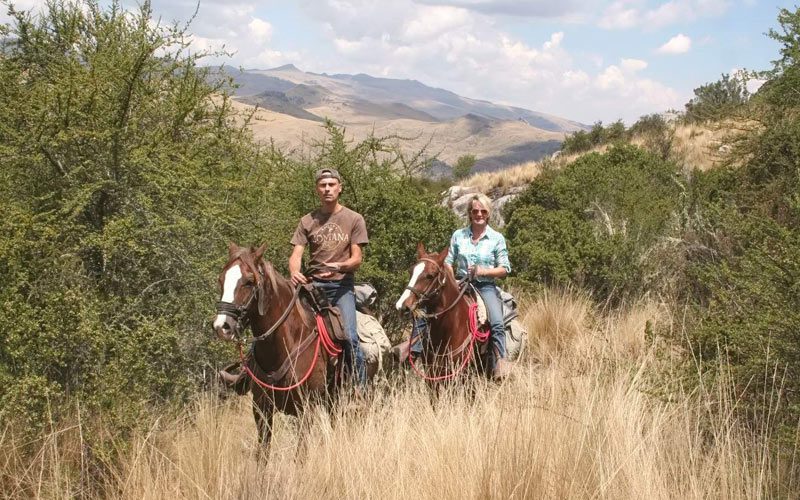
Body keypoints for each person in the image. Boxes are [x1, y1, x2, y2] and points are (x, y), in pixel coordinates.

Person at [408, 193, 511, 379]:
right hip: (460, 282)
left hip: (485, 286)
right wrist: (449, 277)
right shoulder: (459, 235)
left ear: (488, 214)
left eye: (483, 211)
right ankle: (413, 349)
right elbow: (447, 262)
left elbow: (504, 268)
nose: (478, 214)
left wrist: (483, 271)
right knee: (426, 307)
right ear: (470, 214)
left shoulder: (497, 238)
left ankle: (500, 361)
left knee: (496, 321)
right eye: (475, 211)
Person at [289, 168, 369, 388]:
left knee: (351, 337)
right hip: (312, 287)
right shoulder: (307, 221)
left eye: (331, 185)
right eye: (323, 185)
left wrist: (341, 265)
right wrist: (295, 272)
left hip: (341, 286)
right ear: (317, 189)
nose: (327, 189)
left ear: (339, 188)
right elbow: (296, 255)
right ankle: (247, 374)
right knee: (281, 321)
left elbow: (357, 258)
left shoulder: (354, 218)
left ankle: (360, 389)